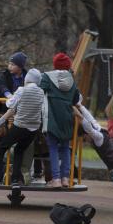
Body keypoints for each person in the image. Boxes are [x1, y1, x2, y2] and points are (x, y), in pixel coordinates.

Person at [0, 68, 44, 186]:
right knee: (19, 150)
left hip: (20, 125)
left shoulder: (22, 90)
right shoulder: (41, 92)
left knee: (2, 147)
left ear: (27, 79)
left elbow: (10, 104)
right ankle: (16, 179)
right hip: (33, 129)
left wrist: (10, 97)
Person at [40, 52, 80, 188]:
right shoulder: (72, 80)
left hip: (52, 118)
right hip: (67, 118)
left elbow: (39, 92)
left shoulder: (46, 77)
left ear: (55, 64)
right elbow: (76, 99)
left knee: (52, 148)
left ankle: (55, 179)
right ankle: (65, 179)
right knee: (65, 148)